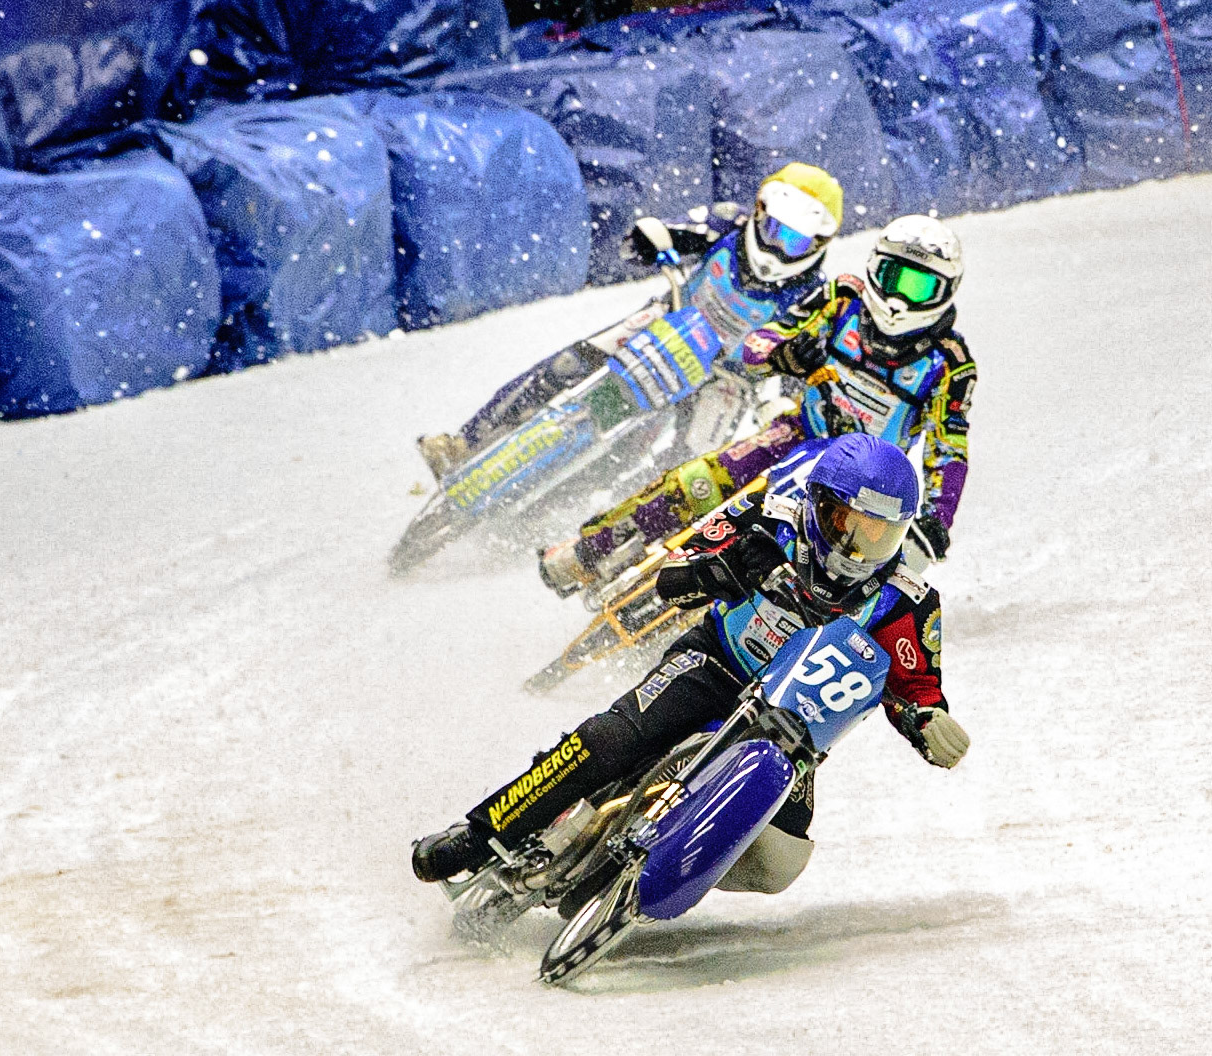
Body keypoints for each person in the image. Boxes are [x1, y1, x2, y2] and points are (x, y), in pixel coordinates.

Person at [413, 434, 969, 889]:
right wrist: (720, 571)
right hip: (715, 665)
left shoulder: (908, 601)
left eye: (879, 534)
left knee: (779, 862)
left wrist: (929, 721)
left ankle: (667, 869)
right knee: (612, 738)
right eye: (846, 523)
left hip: (792, 729)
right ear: (817, 503)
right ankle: (478, 834)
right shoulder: (768, 517)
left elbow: (916, 686)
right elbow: (673, 576)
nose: (857, 548)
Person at [537, 213, 976, 598]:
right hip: (797, 434)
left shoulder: (950, 365)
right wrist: (783, 355)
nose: (899, 299)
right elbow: (759, 341)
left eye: (920, 286)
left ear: (946, 292)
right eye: (893, 277)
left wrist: (937, 520)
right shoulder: (841, 299)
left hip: (864, 481)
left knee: (841, 562)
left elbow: (948, 450)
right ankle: (588, 552)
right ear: (874, 268)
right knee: (696, 481)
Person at [415, 162, 845, 480]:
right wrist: (648, 238)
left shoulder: (813, 296)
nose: (777, 247)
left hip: (728, 377)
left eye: (794, 240)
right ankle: (465, 443)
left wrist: (784, 399)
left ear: (818, 244)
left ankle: (604, 520)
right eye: (774, 229)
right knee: (569, 363)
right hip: (670, 318)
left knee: (691, 465)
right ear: (759, 212)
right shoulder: (727, 221)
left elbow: (800, 360)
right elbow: (670, 230)